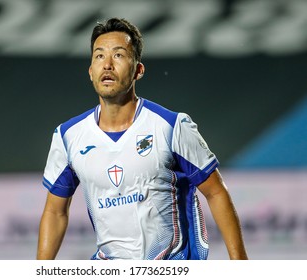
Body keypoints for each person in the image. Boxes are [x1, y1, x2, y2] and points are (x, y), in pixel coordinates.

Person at [37, 17, 248, 260]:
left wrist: (240, 263)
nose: (107, 65)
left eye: (118, 55)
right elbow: (55, 212)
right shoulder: (68, 136)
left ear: (138, 70)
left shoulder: (171, 126)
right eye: (99, 56)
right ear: (90, 72)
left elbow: (215, 192)